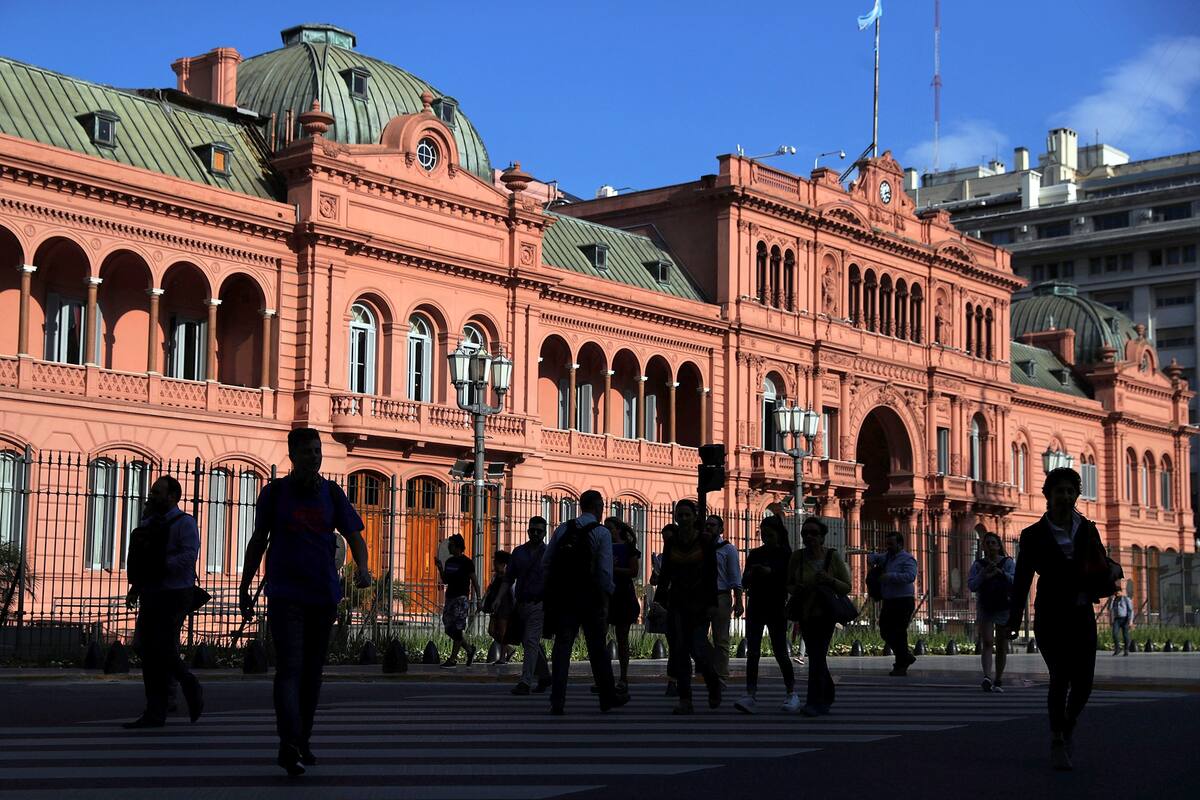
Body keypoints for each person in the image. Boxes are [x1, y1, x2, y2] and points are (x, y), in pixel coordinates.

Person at [239, 427, 372, 776]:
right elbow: (258, 541)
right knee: (289, 669)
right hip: (285, 595)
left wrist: (364, 568)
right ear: (293, 454)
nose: (315, 456)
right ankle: (288, 742)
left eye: (317, 451)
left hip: (322, 594)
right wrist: (245, 585)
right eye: (308, 451)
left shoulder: (331, 493)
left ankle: (302, 741)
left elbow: (354, 535)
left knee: (312, 674)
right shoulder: (275, 493)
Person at [1002, 467, 1114, 771]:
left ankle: (1068, 724)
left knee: (1085, 684)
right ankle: (1057, 739)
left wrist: (1107, 574)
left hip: (1081, 614)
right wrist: (1013, 620)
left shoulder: (1088, 528)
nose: (1065, 496)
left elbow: (1100, 562)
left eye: (1069, 491)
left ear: (1076, 495)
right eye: (1059, 491)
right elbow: (1022, 578)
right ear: (1048, 496)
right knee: (1060, 678)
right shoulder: (1033, 535)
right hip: (1050, 616)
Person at [122, 475, 203, 729]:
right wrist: (138, 585)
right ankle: (157, 708)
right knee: (147, 649)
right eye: (153, 492)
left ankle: (182, 686)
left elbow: (189, 556)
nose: (152, 496)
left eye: (157, 492)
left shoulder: (185, 523)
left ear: (172, 496)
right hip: (152, 592)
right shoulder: (149, 523)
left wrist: (160, 566)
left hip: (176, 592)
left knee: (161, 647)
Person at [543, 490, 628, 715]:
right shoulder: (601, 533)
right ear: (598, 507)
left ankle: (557, 700)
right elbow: (603, 571)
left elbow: (547, 561)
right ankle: (607, 697)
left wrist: (553, 589)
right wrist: (606, 597)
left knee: (562, 649)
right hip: (590, 598)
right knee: (597, 649)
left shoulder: (563, 528)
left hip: (564, 598)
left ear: (581, 506)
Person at [656, 499, 722, 715]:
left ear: (694, 517)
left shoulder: (705, 541)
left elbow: (712, 575)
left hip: (700, 604)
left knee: (699, 649)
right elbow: (665, 573)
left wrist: (713, 604)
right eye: (680, 515)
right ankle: (686, 699)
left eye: (687, 515)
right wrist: (659, 601)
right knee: (680, 651)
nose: (683, 519)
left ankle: (713, 684)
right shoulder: (672, 543)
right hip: (677, 603)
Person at [787, 517, 852, 716]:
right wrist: (795, 588)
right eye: (805, 533)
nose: (808, 537)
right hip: (806, 612)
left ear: (822, 537)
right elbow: (787, 583)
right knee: (816, 656)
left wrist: (829, 580)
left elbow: (846, 586)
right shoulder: (797, 557)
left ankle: (814, 702)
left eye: (813, 533)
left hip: (825, 613)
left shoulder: (832, 557)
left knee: (816, 656)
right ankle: (827, 693)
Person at [735, 515, 797, 714]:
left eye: (769, 534)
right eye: (763, 534)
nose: (765, 538)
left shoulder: (786, 555)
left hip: (776, 606)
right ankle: (750, 692)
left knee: (780, 650)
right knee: (753, 651)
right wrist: (753, 574)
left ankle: (791, 691)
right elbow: (744, 581)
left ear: (778, 534)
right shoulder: (755, 554)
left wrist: (771, 572)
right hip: (756, 605)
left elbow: (788, 580)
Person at [506, 517, 552, 695]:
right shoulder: (518, 553)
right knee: (530, 642)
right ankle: (545, 675)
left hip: (539, 604)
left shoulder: (549, 554)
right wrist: (499, 599)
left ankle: (525, 681)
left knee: (530, 640)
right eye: (532, 530)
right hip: (521, 603)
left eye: (539, 531)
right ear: (528, 531)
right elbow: (509, 578)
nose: (535, 533)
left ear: (544, 533)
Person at [967, 531, 1016, 692]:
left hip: (1003, 605)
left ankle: (999, 678)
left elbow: (1015, 581)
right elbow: (972, 585)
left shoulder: (1008, 562)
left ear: (999, 545)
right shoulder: (978, 565)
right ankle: (987, 676)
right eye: (987, 543)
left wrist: (1000, 573)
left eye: (993, 543)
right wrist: (984, 574)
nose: (990, 546)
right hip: (985, 605)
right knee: (987, 642)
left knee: (1001, 644)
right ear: (983, 546)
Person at [868, 532, 918, 676]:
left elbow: (910, 576)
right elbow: (874, 557)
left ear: (900, 544)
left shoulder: (907, 559)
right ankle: (905, 656)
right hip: (889, 600)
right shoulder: (887, 557)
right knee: (885, 630)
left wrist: (889, 577)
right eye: (887, 544)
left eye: (891, 544)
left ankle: (900, 665)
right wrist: (871, 558)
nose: (888, 547)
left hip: (903, 600)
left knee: (899, 632)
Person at [704, 515, 744, 683]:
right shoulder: (701, 547)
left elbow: (735, 576)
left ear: (721, 529)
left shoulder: (728, 549)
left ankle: (721, 673)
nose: (709, 528)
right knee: (698, 636)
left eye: (712, 525)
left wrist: (739, 600)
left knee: (721, 638)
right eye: (707, 525)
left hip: (721, 596)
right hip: (703, 597)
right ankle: (711, 665)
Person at [606, 517, 641, 691]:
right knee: (600, 638)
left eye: (610, 528)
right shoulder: (602, 547)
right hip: (607, 595)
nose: (607, 531)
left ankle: (623, 676)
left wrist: (613, 570)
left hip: (622, 595)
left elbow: (634, 571)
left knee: (622, 639)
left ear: (618, 530)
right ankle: (604, 677)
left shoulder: (629, 549)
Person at [434, 534, 480, 668]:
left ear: (458, 547)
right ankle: (469, 650)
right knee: (448, 627)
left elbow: (475, 581)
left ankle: (453, 659)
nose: (448, 546)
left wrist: (478, 599)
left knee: (458, 628)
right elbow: (446, 580)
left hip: (461, 598)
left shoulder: (467, 562)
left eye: (451, 545)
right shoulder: (449, 562)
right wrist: (440, 568)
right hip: (450, 597)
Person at [648, 523, 679, 696]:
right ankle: (673, 680)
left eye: (669, 539)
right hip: (666, 602)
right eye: (664, 540)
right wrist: (656, 572)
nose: (666, 543)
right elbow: (654, 582)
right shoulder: (662, 557)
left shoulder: (682, 555)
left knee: (681, 643)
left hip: (681, 602)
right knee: (673, 643)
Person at [482, 550, 515, 665]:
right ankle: (509, 649)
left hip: (505, 606)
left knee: (502, 632)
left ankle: (502, 657)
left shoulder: (507, 577)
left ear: (503, 564)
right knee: (491, 631)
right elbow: (490, 589)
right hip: (495, 607)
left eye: (496, 562)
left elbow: (510, 593)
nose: (494, 564)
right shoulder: (496, 576)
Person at [1110, 587, 1134, 656]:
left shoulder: (1126, 599)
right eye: (1115, 593)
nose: (1117, 594)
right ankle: (1117, 649)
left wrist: (1130, 621)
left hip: (1125, 619)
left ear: (1121, 592)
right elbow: (1109, 609)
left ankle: (1126, 650)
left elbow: (1130, 610)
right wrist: (1111, 600)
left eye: (1118, 592)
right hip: (1117, 619)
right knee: (1114, 634)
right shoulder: (1114, 600)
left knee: (1125, 635)